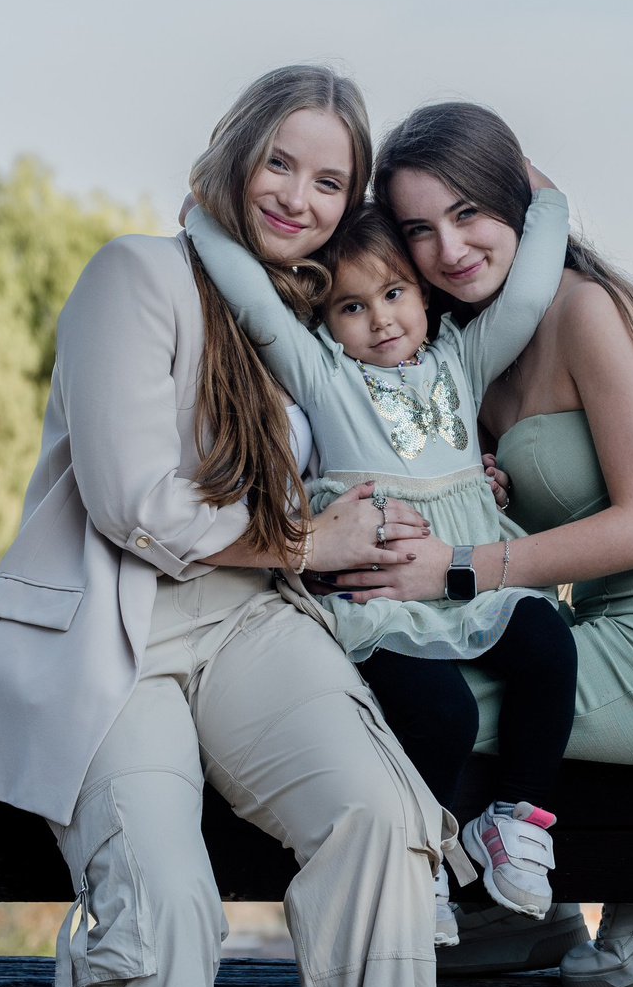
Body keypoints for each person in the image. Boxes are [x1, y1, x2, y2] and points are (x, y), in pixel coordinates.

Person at [0, 66, 448, 987]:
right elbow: (133, 502)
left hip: (254, 623)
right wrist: (310, 539)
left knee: (380, 816)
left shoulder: (314, 322)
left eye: (328, 179)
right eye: (280, 162)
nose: (297, 195)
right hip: (121, 636)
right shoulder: (136, 276)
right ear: (238, 150)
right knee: (163, 906)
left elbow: (398, 433)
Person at [335, 100, 633, 987]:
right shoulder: (461, 356)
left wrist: (458, 561)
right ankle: (521, 909)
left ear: (517, 208)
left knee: (396, 698)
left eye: (470, 213)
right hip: (597, 626)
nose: (449, 248)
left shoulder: (585, 312)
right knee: (430, 674)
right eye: (420, 228)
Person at [184, 179, 580, 933]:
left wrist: (546, 199)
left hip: (465, 575)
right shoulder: (326, 376)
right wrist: (203, 217)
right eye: (351, 307)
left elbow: (526, 299)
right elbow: (259, 308)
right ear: (327, 322)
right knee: (442, 712)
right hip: (380, 597)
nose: (379, 320)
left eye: (394, 293)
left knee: (548, 642)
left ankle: (517, 822)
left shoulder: (461, 362)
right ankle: (417, 862)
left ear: (425, 296)